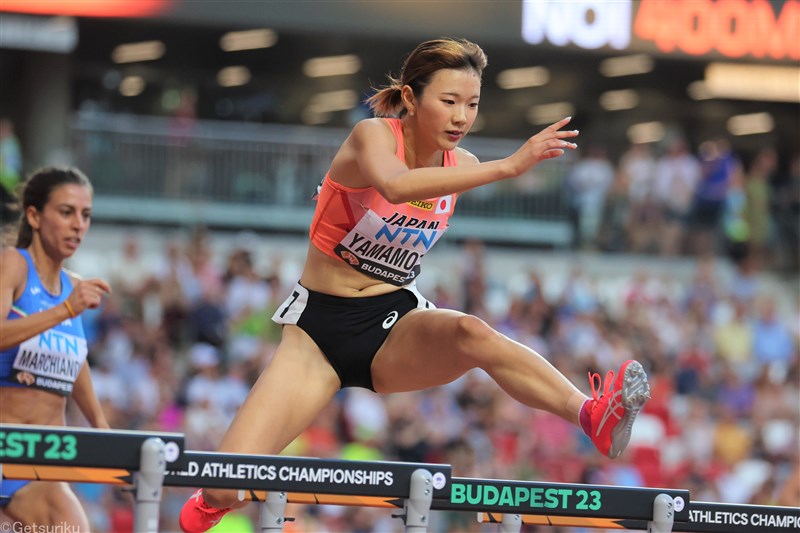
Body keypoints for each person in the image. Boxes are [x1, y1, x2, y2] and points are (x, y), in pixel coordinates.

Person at [180, 38, 651, 532]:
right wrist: (510, 166)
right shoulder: (372, 138)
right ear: (410, 98)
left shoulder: (462, 165)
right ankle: (208, 508)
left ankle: (590, 415)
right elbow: (397, 185)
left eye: (471, 104)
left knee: (472, 333)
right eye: (448, 102)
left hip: (393, 323)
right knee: (221, 484)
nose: (461, 117)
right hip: (317, 334)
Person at [0, 166, 111, 528]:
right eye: (67, 212)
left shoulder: (73, 286)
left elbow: (73, 359)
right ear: (34, 216)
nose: (79, 224)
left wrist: (101, 425)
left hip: (42, 467)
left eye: (86, 215)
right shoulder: (13, 265)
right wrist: (66, 309)